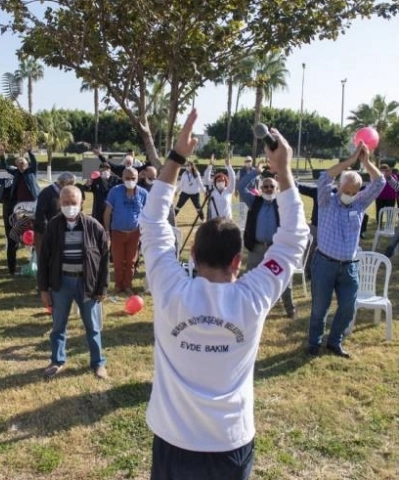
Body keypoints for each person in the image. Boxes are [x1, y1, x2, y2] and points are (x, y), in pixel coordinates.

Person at [141, 110, 308, 480]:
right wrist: (283, 170)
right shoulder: (254, 296)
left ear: (193, 256)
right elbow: (294, 239)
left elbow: (153, 224)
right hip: (229, 444)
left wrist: (176, 157)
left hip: (173, 443)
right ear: (238, 261)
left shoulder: (169, 287)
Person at [308, 143, 385, 358]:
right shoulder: (327, 201)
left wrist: (367, 163)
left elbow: (380, 182)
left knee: (348, 308)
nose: (349, 194)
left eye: (353, 192)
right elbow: (323, 177)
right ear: (339, 187)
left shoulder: (359, 204)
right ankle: (313, 343)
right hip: (324, 263)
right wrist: (350, 162)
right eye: (346, 190)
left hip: (349, 267)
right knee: (319, 308)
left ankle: (334, 342)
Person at [38, 186, 110, 379]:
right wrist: (44, 289)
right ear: (59, 203)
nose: (69, 206)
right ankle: (57, 360)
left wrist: (102, 286)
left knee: (92, 326)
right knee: (58, 326)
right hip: (61, 283)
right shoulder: (53, 226)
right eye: (65, 203)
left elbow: (104, 259)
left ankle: (98, 363)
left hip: (87, 284)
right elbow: (43, 258)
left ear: (81, 203)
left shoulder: (94, 226)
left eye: (73, 203)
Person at [238, 171, 296, 319]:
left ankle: (290, 310)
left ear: (277, 189)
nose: (269, 189)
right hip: (257, 248)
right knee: (251, 278)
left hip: (276, 249)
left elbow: (293, 191)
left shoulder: (282, 204)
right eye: (265, 186)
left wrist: (282, 178)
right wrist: (256, 171)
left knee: (283, 278)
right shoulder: (254, 202)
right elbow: (241, 186)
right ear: (261, 188)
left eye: (272, 186)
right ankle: (248, 306)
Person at [103, 167, 148, 295]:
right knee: (117, 261)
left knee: (131, 261)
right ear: (122, 178)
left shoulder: (143, 194)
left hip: (135, 232)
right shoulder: (115, 192)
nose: (130, 180)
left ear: (138, 178)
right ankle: (118, 285)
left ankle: (128, 285)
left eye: (133, 178)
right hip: (117, 231)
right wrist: (107, 231)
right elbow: (107, 212)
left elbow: (148, 213)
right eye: (127, 178)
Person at [0, 145, 40, 275]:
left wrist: (29, 151)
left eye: (23, 163)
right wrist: (1, 154)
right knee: (14, 237)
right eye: (19, 163)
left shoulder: (31, 171)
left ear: (27, 164)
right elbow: (5, 166)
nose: (21, 165)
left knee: (36, 235)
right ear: (16, 165)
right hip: (20, 209)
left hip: (33, 206)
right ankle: (12, 269)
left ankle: (35, 262)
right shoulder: (16, 173)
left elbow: (35, 162)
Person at [34, 172, 77, 257]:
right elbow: (40, 214)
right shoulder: (46, 193)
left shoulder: (64, 193)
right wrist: (47, 231)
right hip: (47, 231)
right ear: (63, 183)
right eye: (70, 185)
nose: (72, 188)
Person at [202, 155, 236, 220]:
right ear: (215, 182)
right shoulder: (212, 191)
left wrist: (228, 166)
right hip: (215, 221)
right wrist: (210, 165)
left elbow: (232, 177)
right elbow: (206, 178)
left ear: (225, 182)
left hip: (227, 221)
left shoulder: (229, 190)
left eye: (222, 180)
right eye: (218, 180)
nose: (220, 182)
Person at [236, 156, 257, 230]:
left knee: (252, 208)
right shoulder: (240, 171)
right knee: (242, 207)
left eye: (250, 161)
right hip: (243, 192)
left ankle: (252, 224)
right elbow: (237, 181)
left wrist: (257, 191)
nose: (248, 162)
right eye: (247, 161)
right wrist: (236, 191)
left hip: (252, 191)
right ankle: (242, 224)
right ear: (244, 162)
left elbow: (257, 181)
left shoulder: (255, 170)